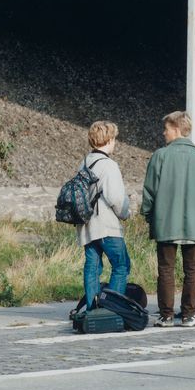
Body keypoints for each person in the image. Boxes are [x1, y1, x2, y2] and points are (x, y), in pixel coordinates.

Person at [141, 111, 195, 328]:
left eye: (166, 129)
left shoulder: (160, 156)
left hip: (166, 223)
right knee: (192, 269)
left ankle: (166, 315)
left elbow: (149, 192)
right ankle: (188, 315)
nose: (163, 133)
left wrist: (150, 216)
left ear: (176, 129)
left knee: (166, 269)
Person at [77, 119, 131, 308]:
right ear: (108, 140)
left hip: (87, 227)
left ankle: (93, 308)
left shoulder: (84, 163)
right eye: (114, 138)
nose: (115, 142)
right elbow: (116, 198)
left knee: (93, 268)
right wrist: (127, 213)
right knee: (121, 266)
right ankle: (112, 308)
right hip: (107, 226)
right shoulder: (109, 165)